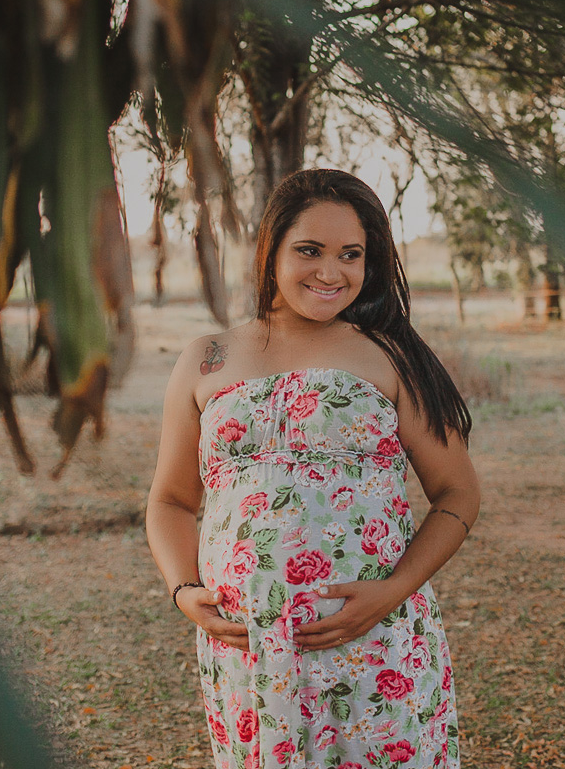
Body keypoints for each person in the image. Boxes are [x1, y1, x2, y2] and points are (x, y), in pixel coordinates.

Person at [145, 169, 480, 769]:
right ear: (270, 248)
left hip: (374, 639)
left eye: (351, 254)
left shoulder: (391, 355)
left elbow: (457, 494)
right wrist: (183, 591)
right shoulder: (208, 358)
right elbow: (170, 499)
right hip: (253, 652)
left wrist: (390, 594)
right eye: (310, 250)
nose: (331, 272)